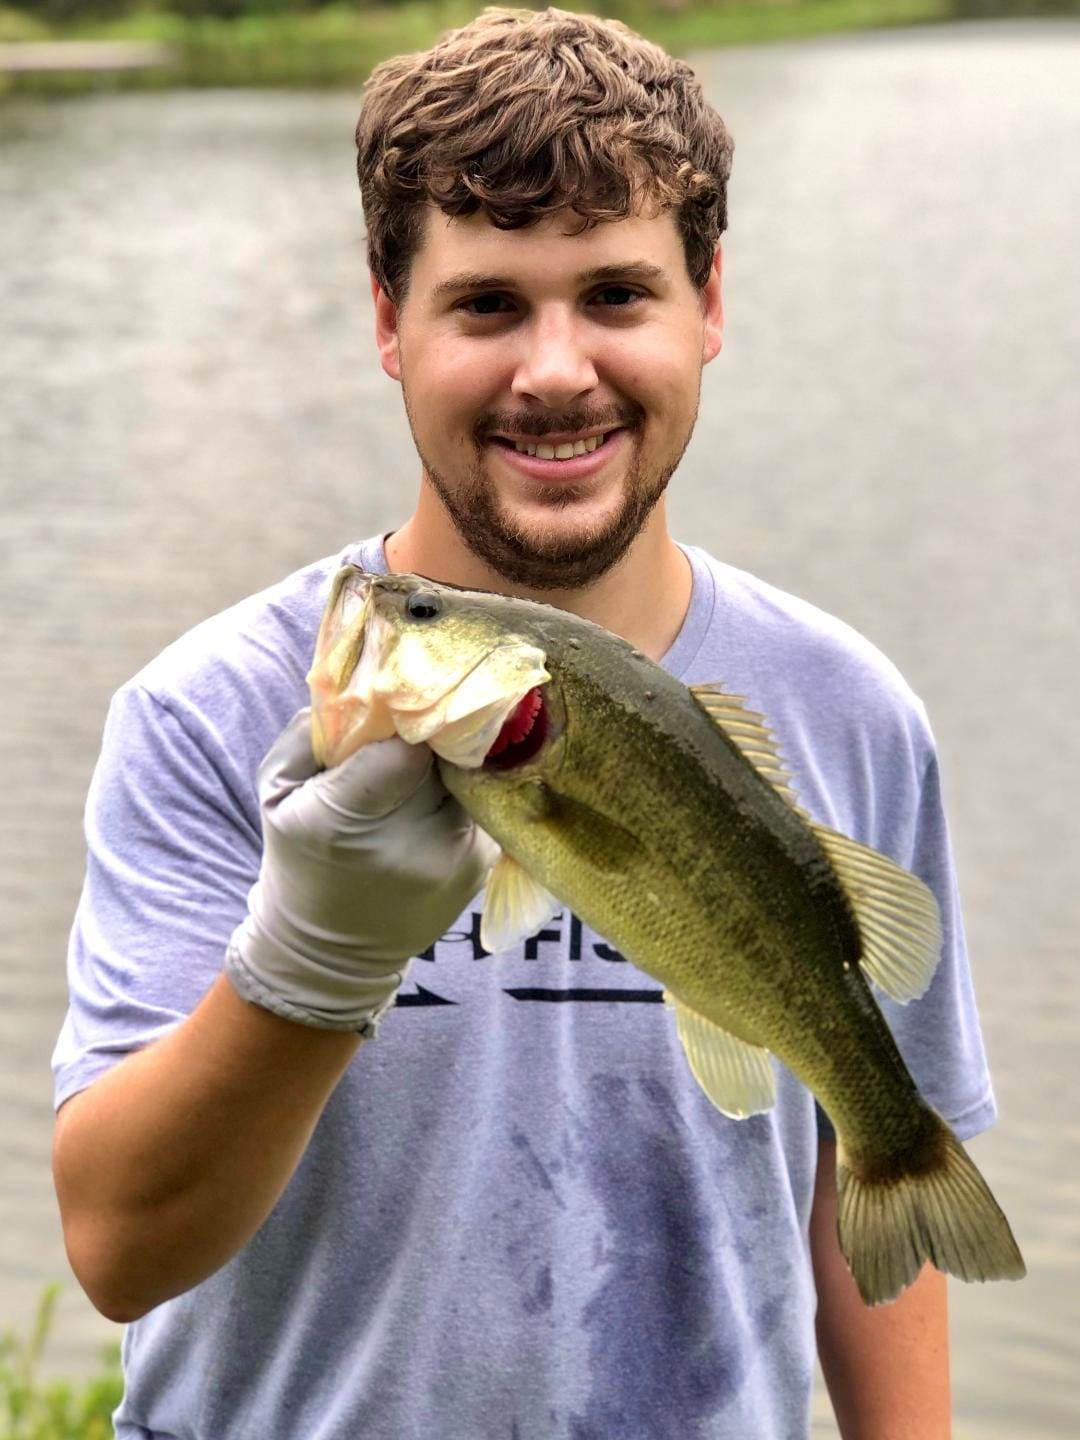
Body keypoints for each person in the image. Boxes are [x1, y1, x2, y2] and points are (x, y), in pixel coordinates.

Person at [51, 7, 998, 1438]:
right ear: (388, 322)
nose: (555, 370)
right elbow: (119, 1254)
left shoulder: (848, 708)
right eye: (487, 304)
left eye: (616, 294)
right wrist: (314, 958)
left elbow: (864, 1191)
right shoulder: (208, 713)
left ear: (710, 304)